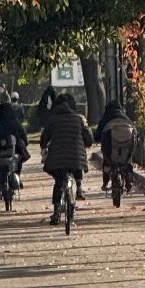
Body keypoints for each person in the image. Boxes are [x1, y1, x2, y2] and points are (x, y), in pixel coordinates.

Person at [40, 91, 93, 224]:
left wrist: (45, 145)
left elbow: (43, 140)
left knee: (59, 182)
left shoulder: (52, 120)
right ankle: (79, 186)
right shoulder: (78, 119)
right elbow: (89, 140)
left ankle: (57, 208)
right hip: (76, 158)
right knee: (77, 167)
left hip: (57, 160)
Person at [0, 94, 29, 195]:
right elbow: (24, 137)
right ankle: (17, 177)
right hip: (13, 153)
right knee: (18, 162)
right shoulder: (15, 123)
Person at [98, 100, 135, 191]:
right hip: (127, 140)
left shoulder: (106, 118)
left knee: (107, 160)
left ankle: (105, 182)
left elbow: (98, 133)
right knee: (127, 160)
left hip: (110, 142)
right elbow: (135, 131)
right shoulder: (125, 117)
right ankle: (129, 176)